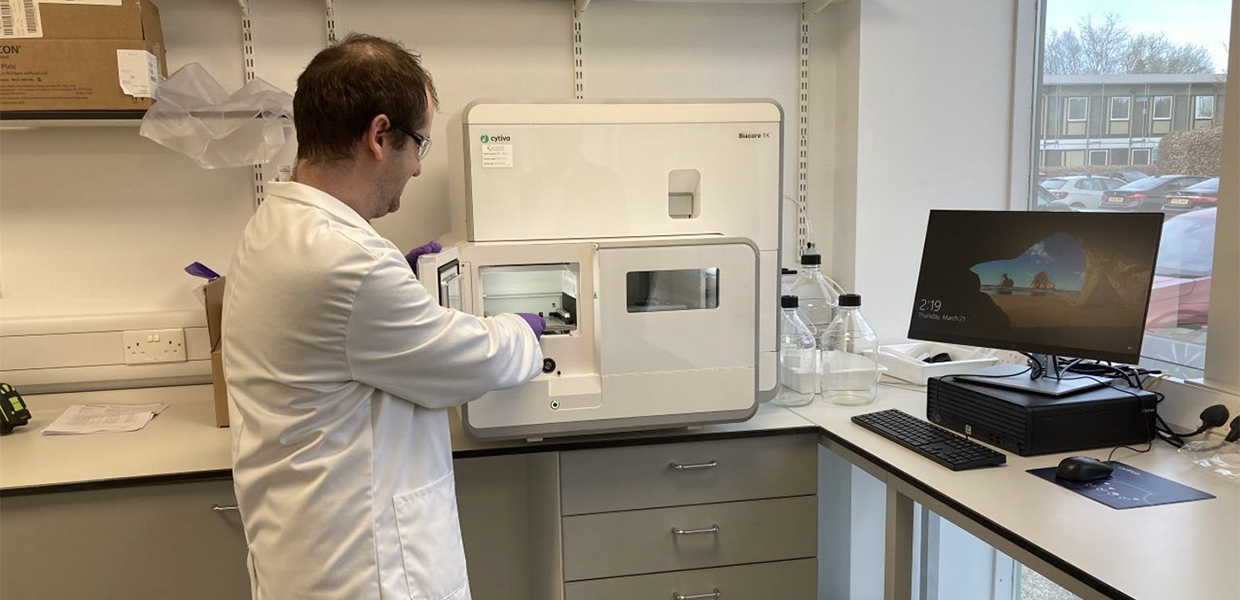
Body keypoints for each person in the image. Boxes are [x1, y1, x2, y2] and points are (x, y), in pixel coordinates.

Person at [222, 34, 545, 600]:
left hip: (305, 550)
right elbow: (464, 363)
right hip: (365, 570)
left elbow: (356, 338)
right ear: (378, 135)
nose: (418, 169)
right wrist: (525, 329)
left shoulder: (275, 226)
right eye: (418, 143)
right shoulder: (351, 262)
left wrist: (401, 285)